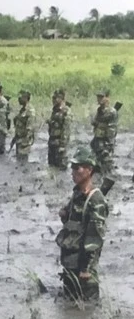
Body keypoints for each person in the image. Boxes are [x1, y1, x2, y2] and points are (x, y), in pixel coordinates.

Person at [56, 147, 108, 300]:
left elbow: (94, 238)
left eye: (77, 168)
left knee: (87, 310)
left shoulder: (96, 200)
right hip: (70, 264)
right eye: (72, 168)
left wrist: (85, 269)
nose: (73, 172)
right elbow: (72, 223)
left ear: (89, 170)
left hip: (84, 272)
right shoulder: (77, 194)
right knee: (69, 309)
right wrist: (64, 214)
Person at [90, 88, 118, 179]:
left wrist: (108, 146)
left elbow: (111, 130)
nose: (99, 99)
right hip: (97, 142)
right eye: (98, 97)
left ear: (107, 98)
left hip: (105, 144)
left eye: (102, 97)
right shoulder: (99, 111)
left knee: (107, 168)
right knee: (96, 168)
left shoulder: (112, 112)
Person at [48, 89, 71, 170]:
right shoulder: (54, 110)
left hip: (59, 144)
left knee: (61, 167)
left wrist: (63, 145)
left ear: (61, 99)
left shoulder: (65, 111)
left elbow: (66, 130)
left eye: (56, 98)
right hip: (52, 142)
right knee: (51, 166)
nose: (53, 100)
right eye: (53, 98)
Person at [12, 90, 35, 163]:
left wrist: (26, 143)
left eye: (20, 97)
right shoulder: (22, 110)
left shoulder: (30, 111)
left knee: (22, 163)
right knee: (19, 162)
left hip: (24, 141)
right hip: (19, 140)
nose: (18, 99)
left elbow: (30, 128)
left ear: (25, 98)